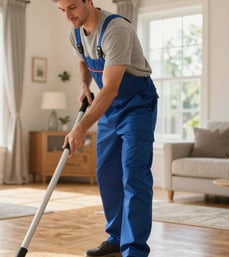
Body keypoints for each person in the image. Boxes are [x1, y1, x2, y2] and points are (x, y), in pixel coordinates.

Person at [55, 1, 159, 257]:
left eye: (73, 7)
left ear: (89, 1)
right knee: (107, 174)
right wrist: (83, 86)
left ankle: (134, 250)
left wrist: (80, 127)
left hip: (137, 105)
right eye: (62, 10)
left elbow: (111, 88)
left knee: (134, 175)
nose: (69, 16)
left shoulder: (116, 30)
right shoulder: (75, 31)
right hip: (110, 108)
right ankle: (115, 238)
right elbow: (84, 61)